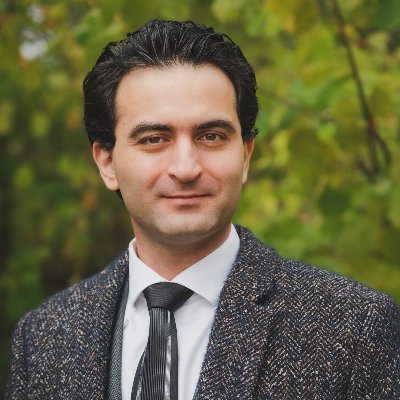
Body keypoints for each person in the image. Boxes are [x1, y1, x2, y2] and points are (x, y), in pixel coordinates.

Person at [5, 19, 400, 400]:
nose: (186, 168)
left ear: (245, 156)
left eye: (211, 136)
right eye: (154, 139)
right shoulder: (43, 338)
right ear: (106, 162)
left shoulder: (355, 327)